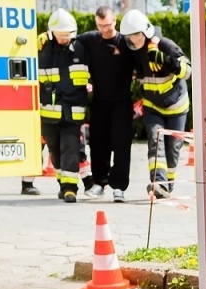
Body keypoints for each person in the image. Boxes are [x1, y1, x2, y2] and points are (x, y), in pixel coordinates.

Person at [119, 10, 190, 199]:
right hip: (152, 105)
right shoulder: (134, 53)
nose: (133, 41)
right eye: (130, 37)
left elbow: (188, 71)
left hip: (177, 105)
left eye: (136, 36)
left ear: (145, 32)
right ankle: (158, 182)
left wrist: (167, 62)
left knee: (173, 147)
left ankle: (168, 185)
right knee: (155, 139)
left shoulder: (165, 45)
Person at [78, 6, 134, 203]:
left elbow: (146, 46)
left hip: (122, 102)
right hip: (100, 102)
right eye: (100, 26)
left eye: (108, 25)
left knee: (121, 145)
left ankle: (119, 187)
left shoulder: (126, 42)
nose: (105, 30)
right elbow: (67, 39)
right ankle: (99, 184)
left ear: (115, 21)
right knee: (98, 144)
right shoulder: (91, 40)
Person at [37, 9, 90, 203]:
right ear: (51, 33)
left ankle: (70, 188)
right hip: (49, 111)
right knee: (54, 150)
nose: (62, 39)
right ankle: (62, 183)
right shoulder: (41, 47)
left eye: (66, 35)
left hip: (72, 111)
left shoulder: (82, 49)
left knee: (70, 147)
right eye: (59, 35)